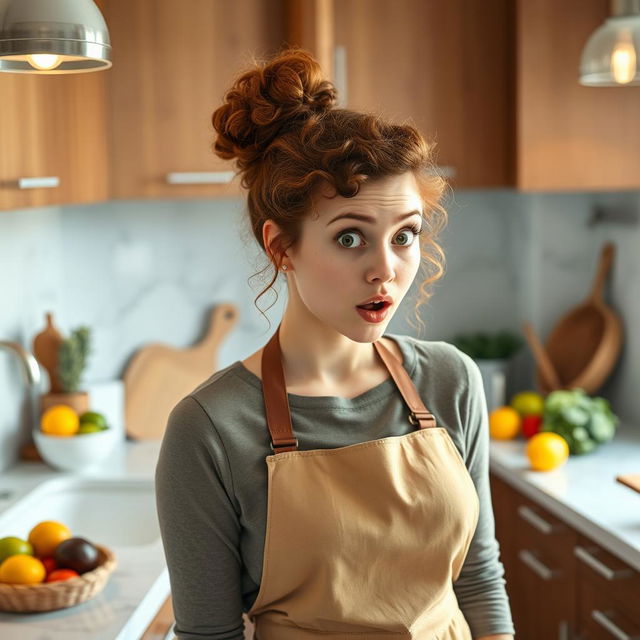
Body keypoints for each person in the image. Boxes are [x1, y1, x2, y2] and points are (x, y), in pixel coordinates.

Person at [155, 47, 516, 640]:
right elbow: (208, 634)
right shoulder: (211, 428)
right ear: (281, 247)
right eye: (350, 238)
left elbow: (477, 577)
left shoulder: (451, 380)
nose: (385, 271)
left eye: (405, 236)